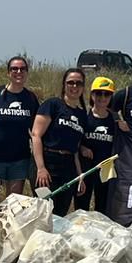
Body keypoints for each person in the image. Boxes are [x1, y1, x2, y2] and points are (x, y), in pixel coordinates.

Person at [0, 56, 41, 202]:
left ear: (27, 72)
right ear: (8, 73)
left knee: (12, 208)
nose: (19, 72)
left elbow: (39, 129)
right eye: (14, 69)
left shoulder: (30, 98)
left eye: (22, 69)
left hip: (19, 160)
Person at [31, 68, 90, 215]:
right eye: (71, 83)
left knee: (60, 213)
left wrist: (80, 176)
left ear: (83, 87)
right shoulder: (53, 104)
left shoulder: (82, 115)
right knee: (43, 212)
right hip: (47, 162)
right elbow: (36, 135)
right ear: (64, 85)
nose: (74, 87)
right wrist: (41, 168)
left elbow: (75, 149)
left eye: (78, 83)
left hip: (68, 167)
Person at [73, 76, 117, 217]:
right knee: (82, 205)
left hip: (106, 169)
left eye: (107, 94)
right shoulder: (83, 116)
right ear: (92, 95)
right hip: (86, 168)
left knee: (102, 207)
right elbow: (73, 140)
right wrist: (82, 148)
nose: (102, 98)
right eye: (99, 93)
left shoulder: (115, 119)